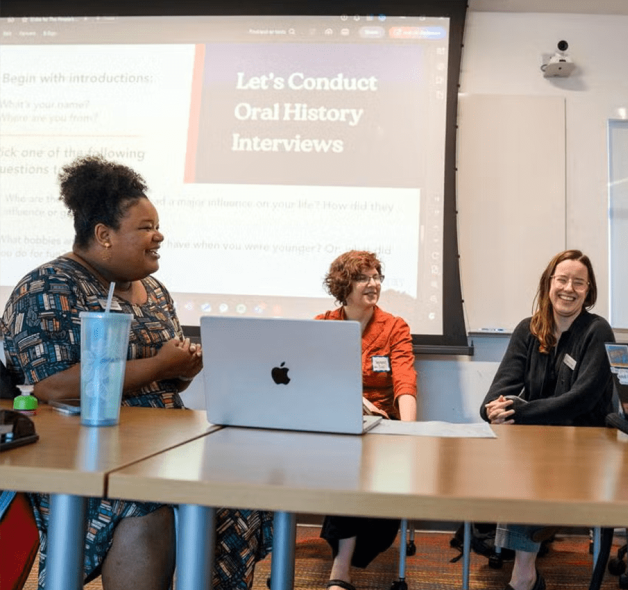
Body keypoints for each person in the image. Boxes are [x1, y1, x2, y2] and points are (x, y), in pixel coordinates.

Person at [0, 155, 272, 590]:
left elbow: (165, 378)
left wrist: (182, 369)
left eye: (157, 225)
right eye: (145, 228)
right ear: (103, 235)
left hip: (165, 445)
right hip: (86, 457)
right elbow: (51, 387)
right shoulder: (47, 287)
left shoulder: (155, 290)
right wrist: (159, 364)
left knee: (239, 488)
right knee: (149, 504)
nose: (158, 235)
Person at [479, 249, 615, 590]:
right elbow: (494, 397)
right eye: (562, 279)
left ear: (589, 291)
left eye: (579, 282)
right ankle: (524, 573)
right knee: (519, 459)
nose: (569, 288)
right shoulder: (528, 330)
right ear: (548, 284)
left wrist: (519, 411)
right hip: (538, 445)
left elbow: (581, 400)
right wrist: (497, 411)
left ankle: (523, 576)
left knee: (527, 464)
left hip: (586, 446)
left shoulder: (598, 332)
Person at [315, 250, 417, 590]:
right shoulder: (323, 325)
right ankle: (340, 571)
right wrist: (353, 402)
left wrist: (409, 432)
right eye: (364, 278)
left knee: (357, 464)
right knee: (344, 461)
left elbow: (405, 380)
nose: (373, 284)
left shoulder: (394, 327)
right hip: (333, 425)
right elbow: (315, 380)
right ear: (344, 285)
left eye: (377, 277)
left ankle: (342, 568)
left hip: (380, 429)